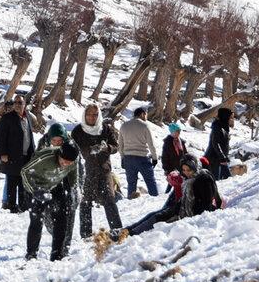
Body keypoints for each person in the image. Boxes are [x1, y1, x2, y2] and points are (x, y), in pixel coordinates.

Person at [71, 103, 122, 238]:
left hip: (104, 169)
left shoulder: (104, 128)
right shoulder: (78, 131)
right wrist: (88, 151)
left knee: (109, 200)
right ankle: (86, 235)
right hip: (86, 171)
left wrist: (107, 148)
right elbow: (72, 150)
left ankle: (117, 232)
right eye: (89, 114)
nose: (92, 117)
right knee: (85, 203)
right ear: (84, 115)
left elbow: (116, 147)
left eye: (95, 114)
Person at [22, 142, 80, 261]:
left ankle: (57, 254)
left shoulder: (75, 160)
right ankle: (31, 254)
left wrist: (75, 189)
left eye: (69, 163)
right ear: (59, 155)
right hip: (37, 187)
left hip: (55, 185)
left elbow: (74, 174)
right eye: (63, 161)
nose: (65, 165)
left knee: (62, 219)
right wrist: (35, 190)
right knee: (37, 220)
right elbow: (24, 172)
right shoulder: (45, 157)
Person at [0, 95, 36, 213]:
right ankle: (12, 206)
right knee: (12, 183)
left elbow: (29, 135)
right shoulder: (8, 118)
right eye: (16, 102)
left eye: (20, 102)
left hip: (26, 157)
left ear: (24, 104)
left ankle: (23, 206)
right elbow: (1, 137)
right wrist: (3, 153)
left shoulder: (27, 117)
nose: (17, 104)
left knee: (23, 183)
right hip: (12, 156)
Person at [124, 170, 186, 236]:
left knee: (155, 217)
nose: (186, 172)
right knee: (152, 215)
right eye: (184, 170)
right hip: (174, 206)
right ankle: (127, 230)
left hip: (178, 210)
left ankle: (130, 233)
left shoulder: (189, 182)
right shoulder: (183, 179)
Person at [118, 107, 159, 198]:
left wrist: (122, 158)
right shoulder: (145, 125)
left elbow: (120, 145)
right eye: (146, 115)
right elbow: (151, 144)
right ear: (142, 114)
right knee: (150, 181)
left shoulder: (124, 125)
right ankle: (155, 200)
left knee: (131, 183)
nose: (146, 118)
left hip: (128, 158)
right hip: (142, 157)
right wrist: (154, 158)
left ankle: (131, 200)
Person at [0, 100, 14, 209]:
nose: (9, 110)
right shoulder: (2, 122)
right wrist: (2, 154)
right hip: (6, 154)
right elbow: (0, 141)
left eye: (11, 108)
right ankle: (6, 201)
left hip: (13, 154)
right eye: (8, 108)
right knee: (9, 178)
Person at [205, 108, 234, 181]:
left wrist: (225, 157)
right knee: (215, 181)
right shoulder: (217, 127)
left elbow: (223, 144)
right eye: (230, 117)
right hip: (214, 160)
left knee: (229, 180)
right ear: (225, 117)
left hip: (221, 159)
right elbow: (216, 144)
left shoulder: (224, 127)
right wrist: (222, 157)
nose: (232, 120)